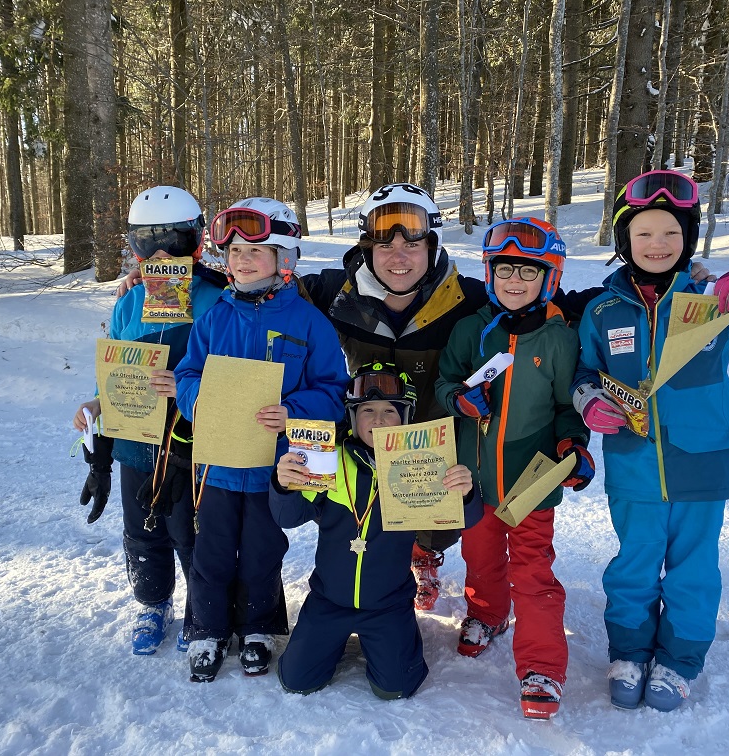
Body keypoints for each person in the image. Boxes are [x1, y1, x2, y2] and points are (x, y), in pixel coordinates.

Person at [572, 169, 729, 712]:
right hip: (633, 465)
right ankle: (630, 652)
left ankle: (679, 661)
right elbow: (584, 372)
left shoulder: (713, 300)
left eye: (671, 232)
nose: (658, 244)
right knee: (634, 565)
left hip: (703, 461)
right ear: (624, 240)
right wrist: (588, 400)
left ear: (688, 238)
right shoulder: (603, 310)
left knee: (693, 570)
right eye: (644, 233)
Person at [301, 183, 606, 612]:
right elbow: (265, 285)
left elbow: (545, 301)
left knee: (440, 518)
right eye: (385, 246)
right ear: (367, 249)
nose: (399, 257)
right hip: (371, 422)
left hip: (438, 429)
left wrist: (653, 282)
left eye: (413, 244)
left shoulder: (466, 298)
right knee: (370, 504)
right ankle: (377, 566)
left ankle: (425, 554)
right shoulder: (337, 293)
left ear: (432, 246)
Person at [173, 197, 349, 682]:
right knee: (210, 552)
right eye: (234, 252)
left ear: (284, 258)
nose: (242, 260)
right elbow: (187, 374)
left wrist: (293, 411)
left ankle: (258, 627)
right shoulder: (214, 319)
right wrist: (198, 399)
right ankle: (207, 629)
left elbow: (334, 392)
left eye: (255, 251)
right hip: (218, 465)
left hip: (275, 469)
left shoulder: (309, 323)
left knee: (262, 552)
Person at [435, 217, 593, 720]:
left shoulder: (559, 338)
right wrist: (460, 400)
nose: (515, 281)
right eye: (504, 270)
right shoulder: (470, 329)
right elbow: (444, 382)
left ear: (549, 277)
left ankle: (542, 667)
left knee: (533, 571)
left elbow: (568, 407)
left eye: (528, 271)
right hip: (475, 477)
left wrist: (574, 443)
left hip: (532, 482)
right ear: (490, 273)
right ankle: (487, 614)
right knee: (479, 555)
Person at [72, 185, 226, 656]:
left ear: (195, 242)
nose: (161, 255)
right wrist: (97, 403)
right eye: (148, 242)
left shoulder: (217, 299)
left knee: (191, 530)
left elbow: (229, 369)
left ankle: (201, 607)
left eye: (173, 242)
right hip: (136, 438)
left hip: (189, 440)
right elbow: (116, 369)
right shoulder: (128, 302)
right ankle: (152, 602)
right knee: (142, 528)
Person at [270, 362, 483, 699]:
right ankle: (329, 640)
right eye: (367, 410)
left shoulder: (422, 466)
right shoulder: (329, 459)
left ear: (405, 418)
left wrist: (465, 493)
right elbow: (288, 516)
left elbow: (463, 520)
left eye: (389, 411)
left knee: (396, 688)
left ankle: (392, 639)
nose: (378, 420)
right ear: (352, 417)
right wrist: (283, 485)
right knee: (296, 681)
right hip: (329, 600)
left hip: (387, 604)